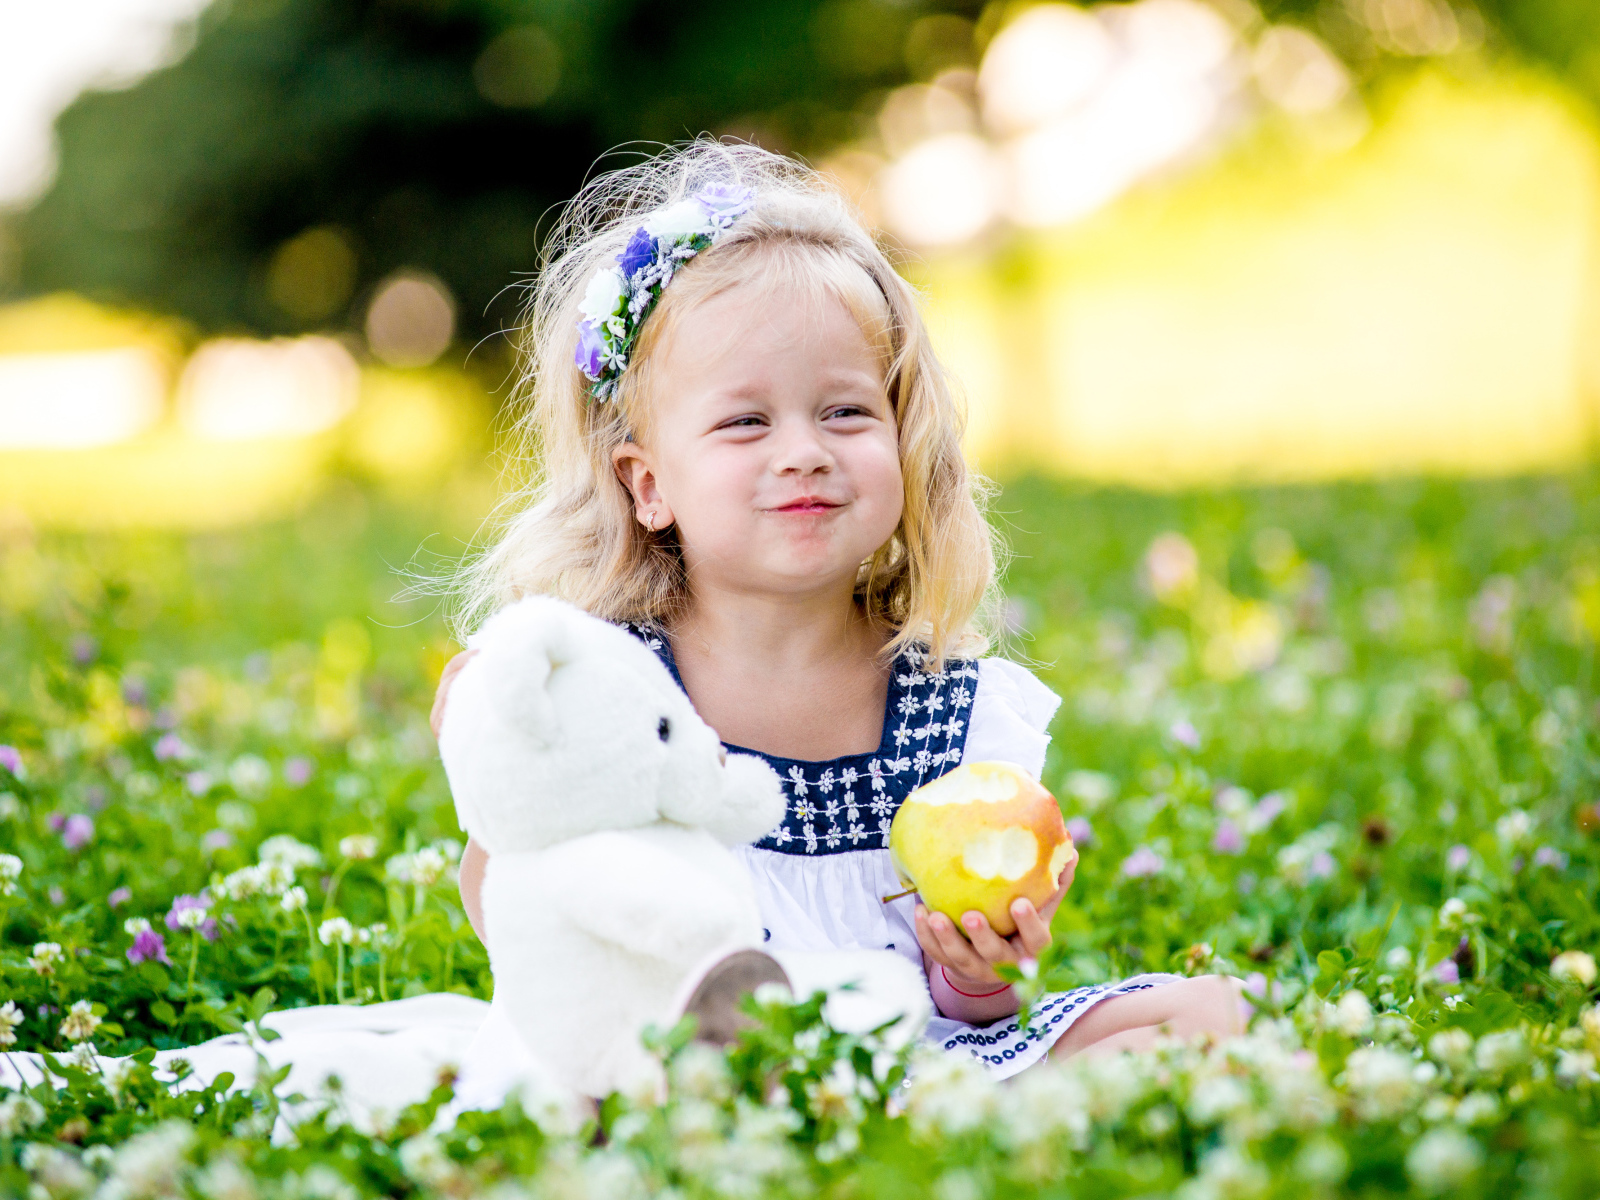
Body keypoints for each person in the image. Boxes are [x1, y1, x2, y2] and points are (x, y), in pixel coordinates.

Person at [432, 140, 1242, 1078]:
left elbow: (967, 1006)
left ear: (905, 441)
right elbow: (529, 918)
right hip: (690, 1052)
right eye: (745, 421)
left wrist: (978, 967)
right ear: (648, 484)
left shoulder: (948, 711)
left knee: (1213, 1009)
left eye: (847, 413)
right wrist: (507, 783)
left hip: (914, 1045)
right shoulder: (614, 694)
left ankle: (928, 1117)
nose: (804, 451)